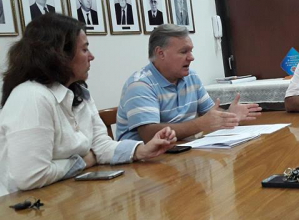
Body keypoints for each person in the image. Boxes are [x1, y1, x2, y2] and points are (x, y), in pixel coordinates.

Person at [0, 14, 177, 196]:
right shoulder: (31, 97)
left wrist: (142, 150)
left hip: (67, 194)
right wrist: (84, 161)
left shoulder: (79, 92)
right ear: (60, 54)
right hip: (22, 204)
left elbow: (101, 145)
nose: (91, 56)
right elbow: (31, 176)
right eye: (84, 49)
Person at [116, 25, 262, 143]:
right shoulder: (140, 84)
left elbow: (210, 114)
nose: (191, 57)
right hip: (142, 163)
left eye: (191, 51)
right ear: (161, 53)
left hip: (182, 150)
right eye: (183, 52)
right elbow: (149, 134)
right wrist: (199, 124)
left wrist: (230, 115)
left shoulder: (191, 77)